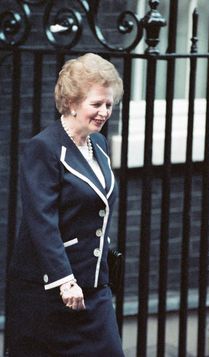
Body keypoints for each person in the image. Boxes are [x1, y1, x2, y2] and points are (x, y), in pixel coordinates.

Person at [7, 53, 124, 356]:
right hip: (53, 291)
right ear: (72, 102)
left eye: (109, 105)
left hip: (94, 290)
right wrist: (65, 282)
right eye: (96, 104)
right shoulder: (43, 148)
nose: (104, 112)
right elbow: (41, 220)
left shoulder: (97, 144)